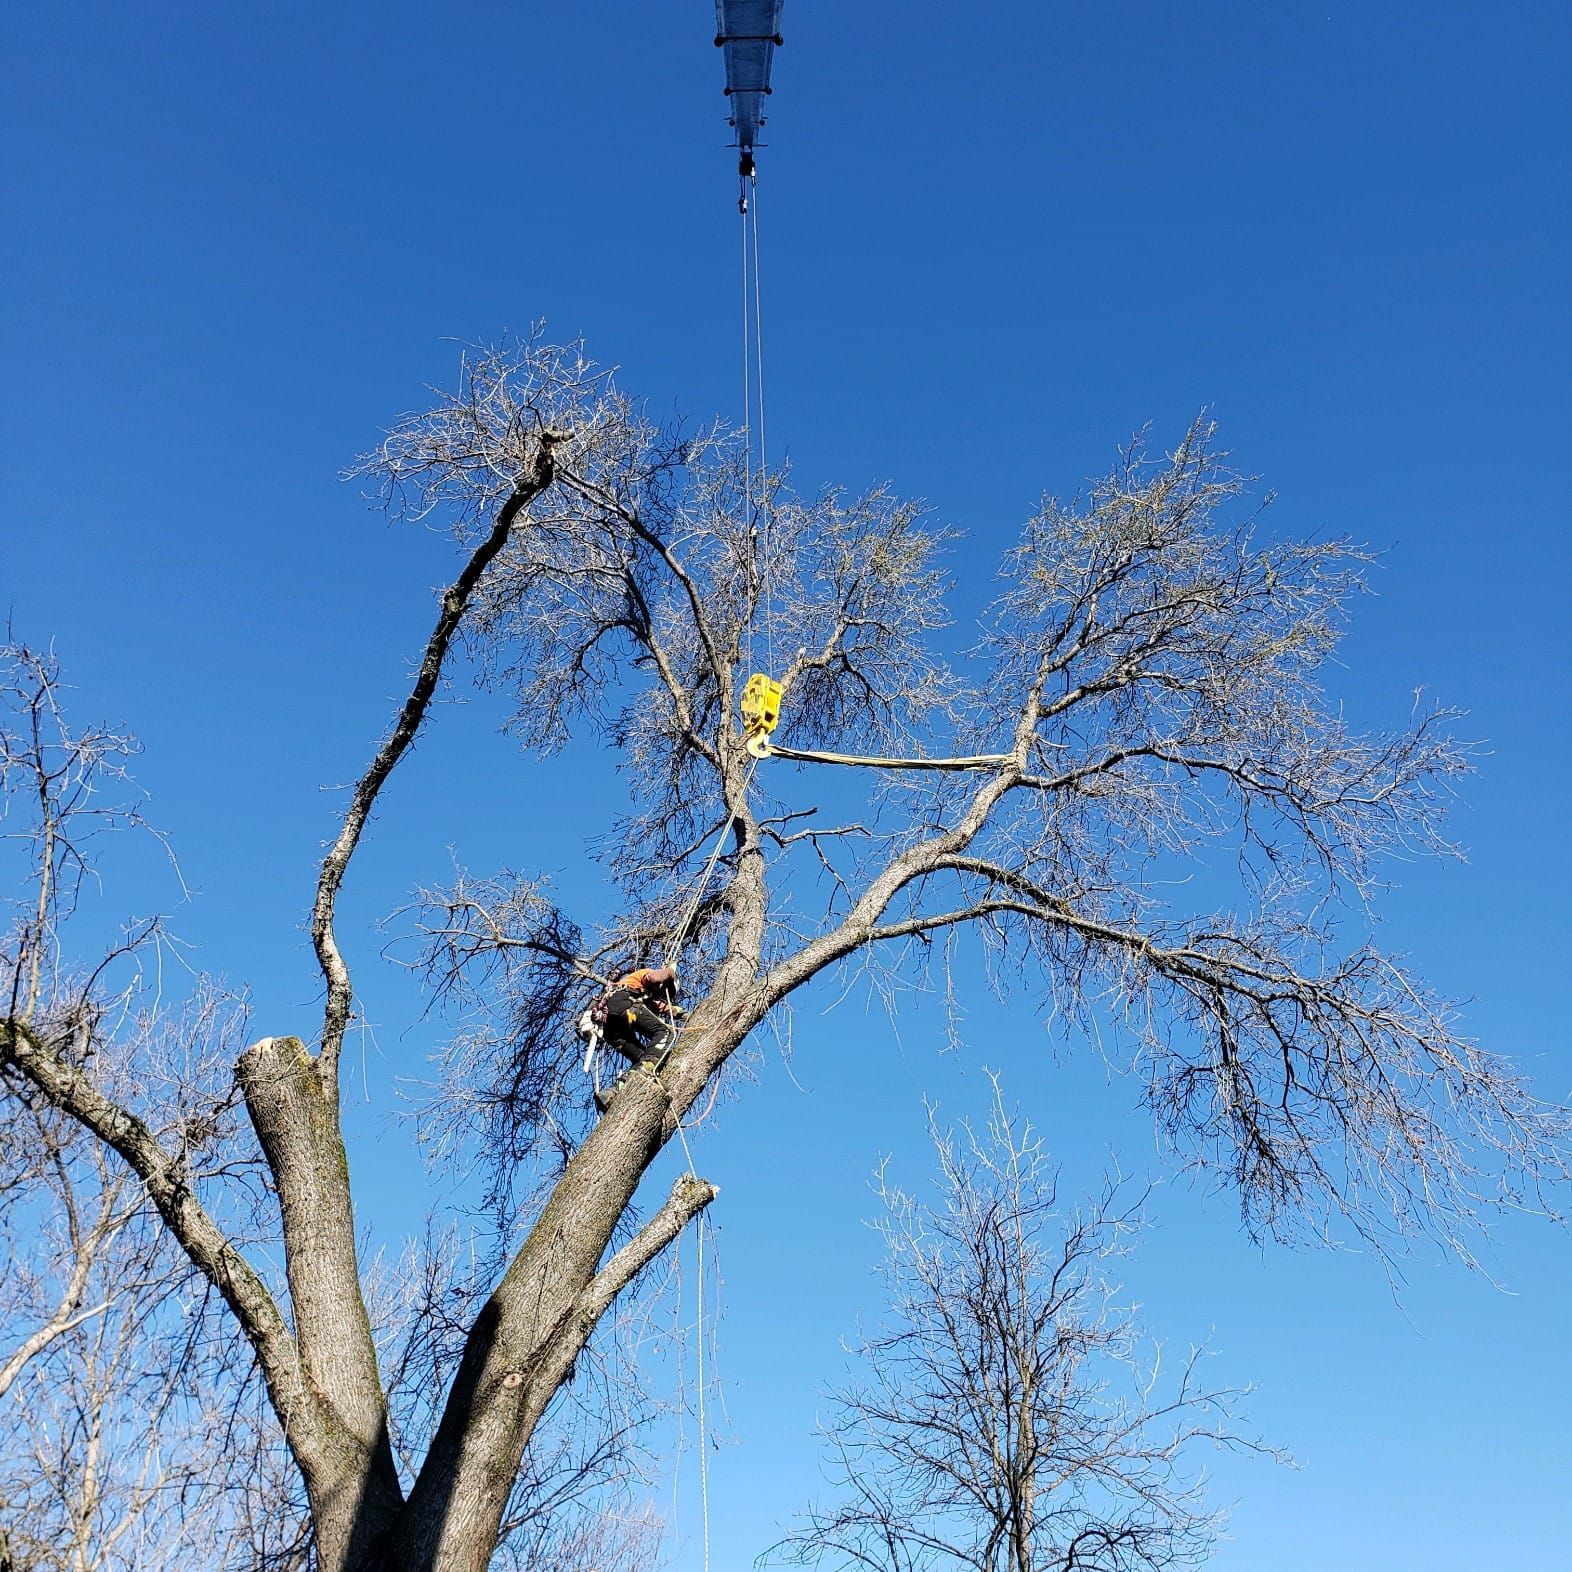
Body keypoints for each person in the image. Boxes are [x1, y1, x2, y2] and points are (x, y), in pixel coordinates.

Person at [589, 965, 682, 1111]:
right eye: (667, 992)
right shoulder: (645, 975)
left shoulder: (647, 996)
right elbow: (653, 977)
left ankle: (612, 1093)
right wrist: (669, 972)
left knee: (643, 1058)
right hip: (623, 1004)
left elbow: (668, 1009)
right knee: (665, 1032)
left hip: (611, 1028)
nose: (665, 997)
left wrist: (684, 1013)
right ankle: (647, 1070)